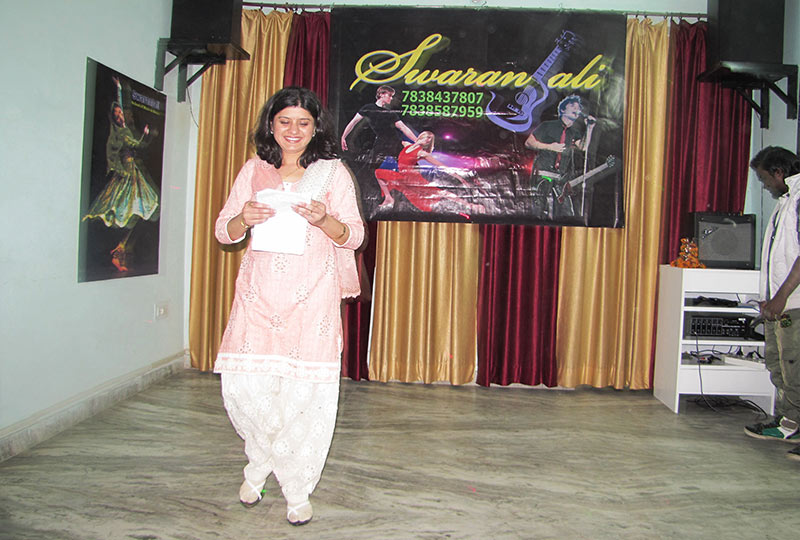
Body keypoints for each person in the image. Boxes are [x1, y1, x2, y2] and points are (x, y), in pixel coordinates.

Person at [213, 87, 366, 524]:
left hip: (312, 297)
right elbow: (224, 231)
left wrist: (324, 219)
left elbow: (355, 236)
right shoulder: (254, 170)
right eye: (285, 121)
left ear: (316, 128)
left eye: (303, 122)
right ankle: (260, 462)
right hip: (258, 295)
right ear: (271, 125)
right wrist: (244, 218)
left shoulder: (332, 173)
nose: (293, 130)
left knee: (305, 397)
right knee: (244, 389)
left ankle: (297, 487)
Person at [747, 145, 800, 462]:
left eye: (765, 179)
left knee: (795, 368)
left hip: (794, 305)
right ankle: (787, 423)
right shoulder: (786, 201)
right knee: (779, 367)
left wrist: (781, 298)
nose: (765, 186)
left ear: (779, 172)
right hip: (779, 304)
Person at [83, 76, 159, 271]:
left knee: (144, 209)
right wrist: (145, 137)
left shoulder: (127, 129)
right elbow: (133, 145)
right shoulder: (119, 133)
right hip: (126, 174)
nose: (120, 115)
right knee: (127, 210)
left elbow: (138, 142)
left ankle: (122, 247)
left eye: (121, 113)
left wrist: (120, 88)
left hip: (135, 172)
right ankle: (119, 249)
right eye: (116, 114)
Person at [373, 130, 485, 216]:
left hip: (413, 179)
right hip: (402, 176)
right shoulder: (406, 145)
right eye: (427, 137)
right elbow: (396, 135)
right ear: (422, 136)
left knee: (441, 193)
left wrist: (459, 177)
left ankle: (470, 205)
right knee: (378, 173)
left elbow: (441, 166)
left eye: (430, 140)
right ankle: (388, 198)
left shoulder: (422, 153)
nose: (427, 140)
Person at [524, 94, 595, 219]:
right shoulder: (547, 125)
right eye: (572, 106)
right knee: (540, 211)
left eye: (578, 107)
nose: (576, 109)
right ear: (562, 109)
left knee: (565, 213)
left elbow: (583, 147)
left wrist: (589, 128)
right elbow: (529, 142)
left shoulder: (574, 132)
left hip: (560, 179)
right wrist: (549, 147)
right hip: (543, 175)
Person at [340, 85, 417, 166]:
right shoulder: (369, 108)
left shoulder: (390, 114)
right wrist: (343, 137)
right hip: (381, 144)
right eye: (389, 95)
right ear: (381, 95)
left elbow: (403, 128)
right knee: (374, 166)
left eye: (392, 96)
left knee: (409, 164)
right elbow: (353, 122)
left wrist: (416, 140)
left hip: (394, 143)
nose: (391, 98)